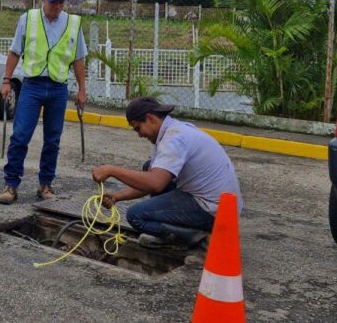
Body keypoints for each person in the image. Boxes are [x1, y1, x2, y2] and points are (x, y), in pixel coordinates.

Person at [92, 97, 243, 248]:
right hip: (218, 204)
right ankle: (173, 233)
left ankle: (201, 241)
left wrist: (111, 170)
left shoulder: (173, 139)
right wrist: (118, 196)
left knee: (136, 216)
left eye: (138, 128)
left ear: (150, 118)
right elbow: (153, 181)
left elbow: (156, 184)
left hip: (215, 212)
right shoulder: (171, 131)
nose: (139, 135)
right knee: (149, 167)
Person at [0, 0, 87, 204]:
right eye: (54, 2)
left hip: (58, 87)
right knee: (20, 136)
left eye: (61, 2)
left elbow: (78, 59)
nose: (58, 6)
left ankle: (45, 185)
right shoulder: (28, 19)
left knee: (52, 140)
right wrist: (6, 80)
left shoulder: (74, 23)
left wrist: (82, 90)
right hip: (32, 85)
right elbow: (14, 52)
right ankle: (11, 184)